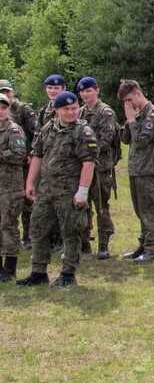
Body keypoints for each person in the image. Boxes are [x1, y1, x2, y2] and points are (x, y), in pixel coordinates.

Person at [16, 91, 96, 288]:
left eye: (74, 108)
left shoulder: (82, 132)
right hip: (46, 190)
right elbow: (37, 155)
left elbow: (89, 163)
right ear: (57, 110)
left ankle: (68, 274)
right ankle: (38, 272)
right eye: (66, 109)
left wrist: (83, 191)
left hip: (70, 192)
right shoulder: (47, 128)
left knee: (70, 232)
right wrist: (30, 183)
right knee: (38, 229)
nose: (71, 112)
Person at [118, 80, 154, 263]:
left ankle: (152, 250)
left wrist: (132, 120)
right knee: (140, 212)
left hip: (149, 170)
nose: (129, 104)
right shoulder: (137, 114)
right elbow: (125, 139)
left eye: (129, 99)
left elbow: (140, 142)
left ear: (138, 92)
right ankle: (143, 245)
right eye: (125, 102)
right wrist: (129, 118)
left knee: (150, 212)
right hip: (135, 170)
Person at [76, 77, 119, 259]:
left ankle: (103, 244)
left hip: (101, 167)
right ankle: (84, 241)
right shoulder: (79, 112)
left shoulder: (105, 112)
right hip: (82, 167)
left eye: (89, 90)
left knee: (101, 204)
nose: (86, 94)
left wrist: (89, 155)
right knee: (82, 204)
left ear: (97, 90)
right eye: (83, 91)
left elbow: (106, 139)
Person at [0, 80, 36, 250]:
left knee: (25, 200)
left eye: (7, 91)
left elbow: (35, 132)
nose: (5, 94)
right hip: (5, 171)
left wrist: (32, 153)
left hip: (25, 161)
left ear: (12, 91)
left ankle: (28, 236)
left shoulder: (23, 109)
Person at [0, 94, 27, 282]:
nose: (0, 111)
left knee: (8, 226)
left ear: (8, 109)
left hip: (10, 188)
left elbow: (20, 155)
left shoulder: (14, 130)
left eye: (3, 107)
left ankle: (10, 269)